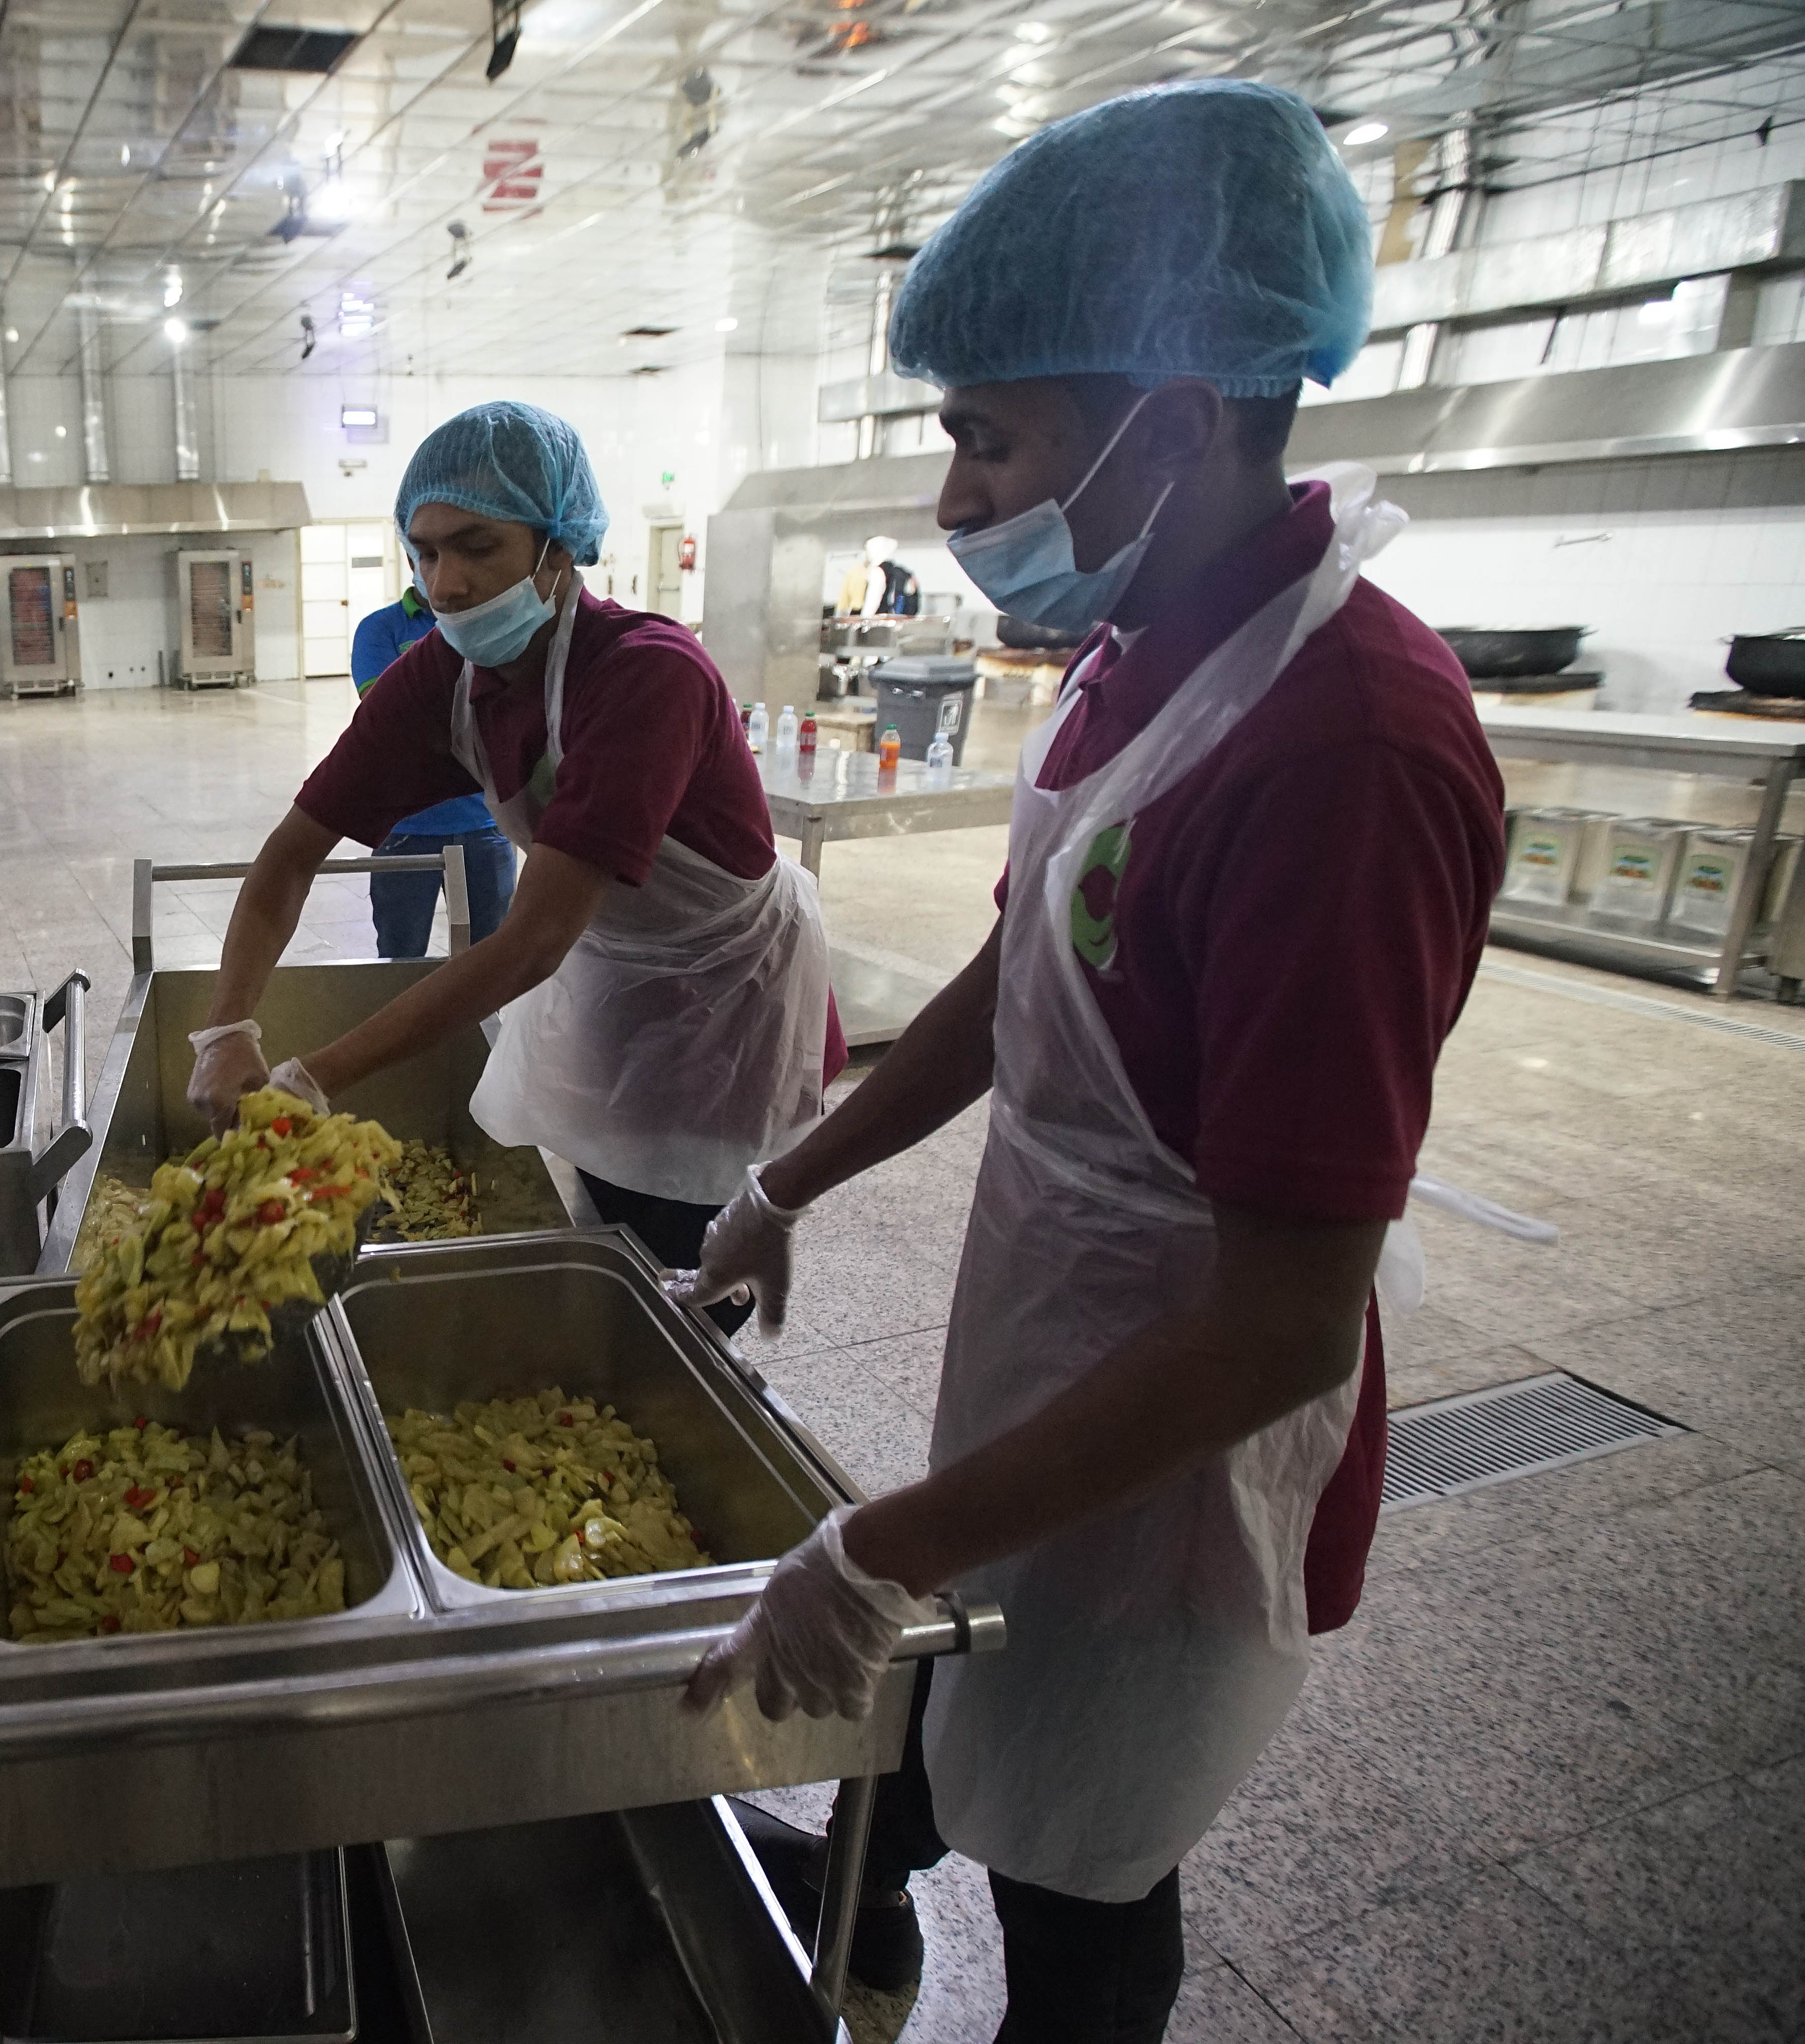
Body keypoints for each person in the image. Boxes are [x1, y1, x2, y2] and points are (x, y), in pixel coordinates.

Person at [676, 82, 1508, 2039]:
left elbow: (1286, 1324)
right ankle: (860, 1897)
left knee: (1084, 1876)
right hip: (1056, 1339)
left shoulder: (1347, 745)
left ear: (1178, 419)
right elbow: (1019, 977)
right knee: (968, 1702)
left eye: (988, 433)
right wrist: (790, 1173)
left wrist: (871, 1540)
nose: (952, 499)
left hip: (1182, 1449)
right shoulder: (1149, 646)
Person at [189, 401, 841, 1313]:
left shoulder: (649, 675)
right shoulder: (445, 675)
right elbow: (291, 855)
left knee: (692, 1258)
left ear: (559, 549)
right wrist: (227, 1031)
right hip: (610, 966)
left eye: (477, 547)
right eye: (423, 553)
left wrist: (312, 1077)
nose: (445, 583)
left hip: (720, 993)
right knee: (611, 1211)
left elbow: (532, 939)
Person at [348, 585, 515, 958]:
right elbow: (388, 718)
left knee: (490, 959)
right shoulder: (382, 628)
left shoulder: (498, 626)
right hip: (407, 830)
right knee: (400, 958)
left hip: (487, 825)